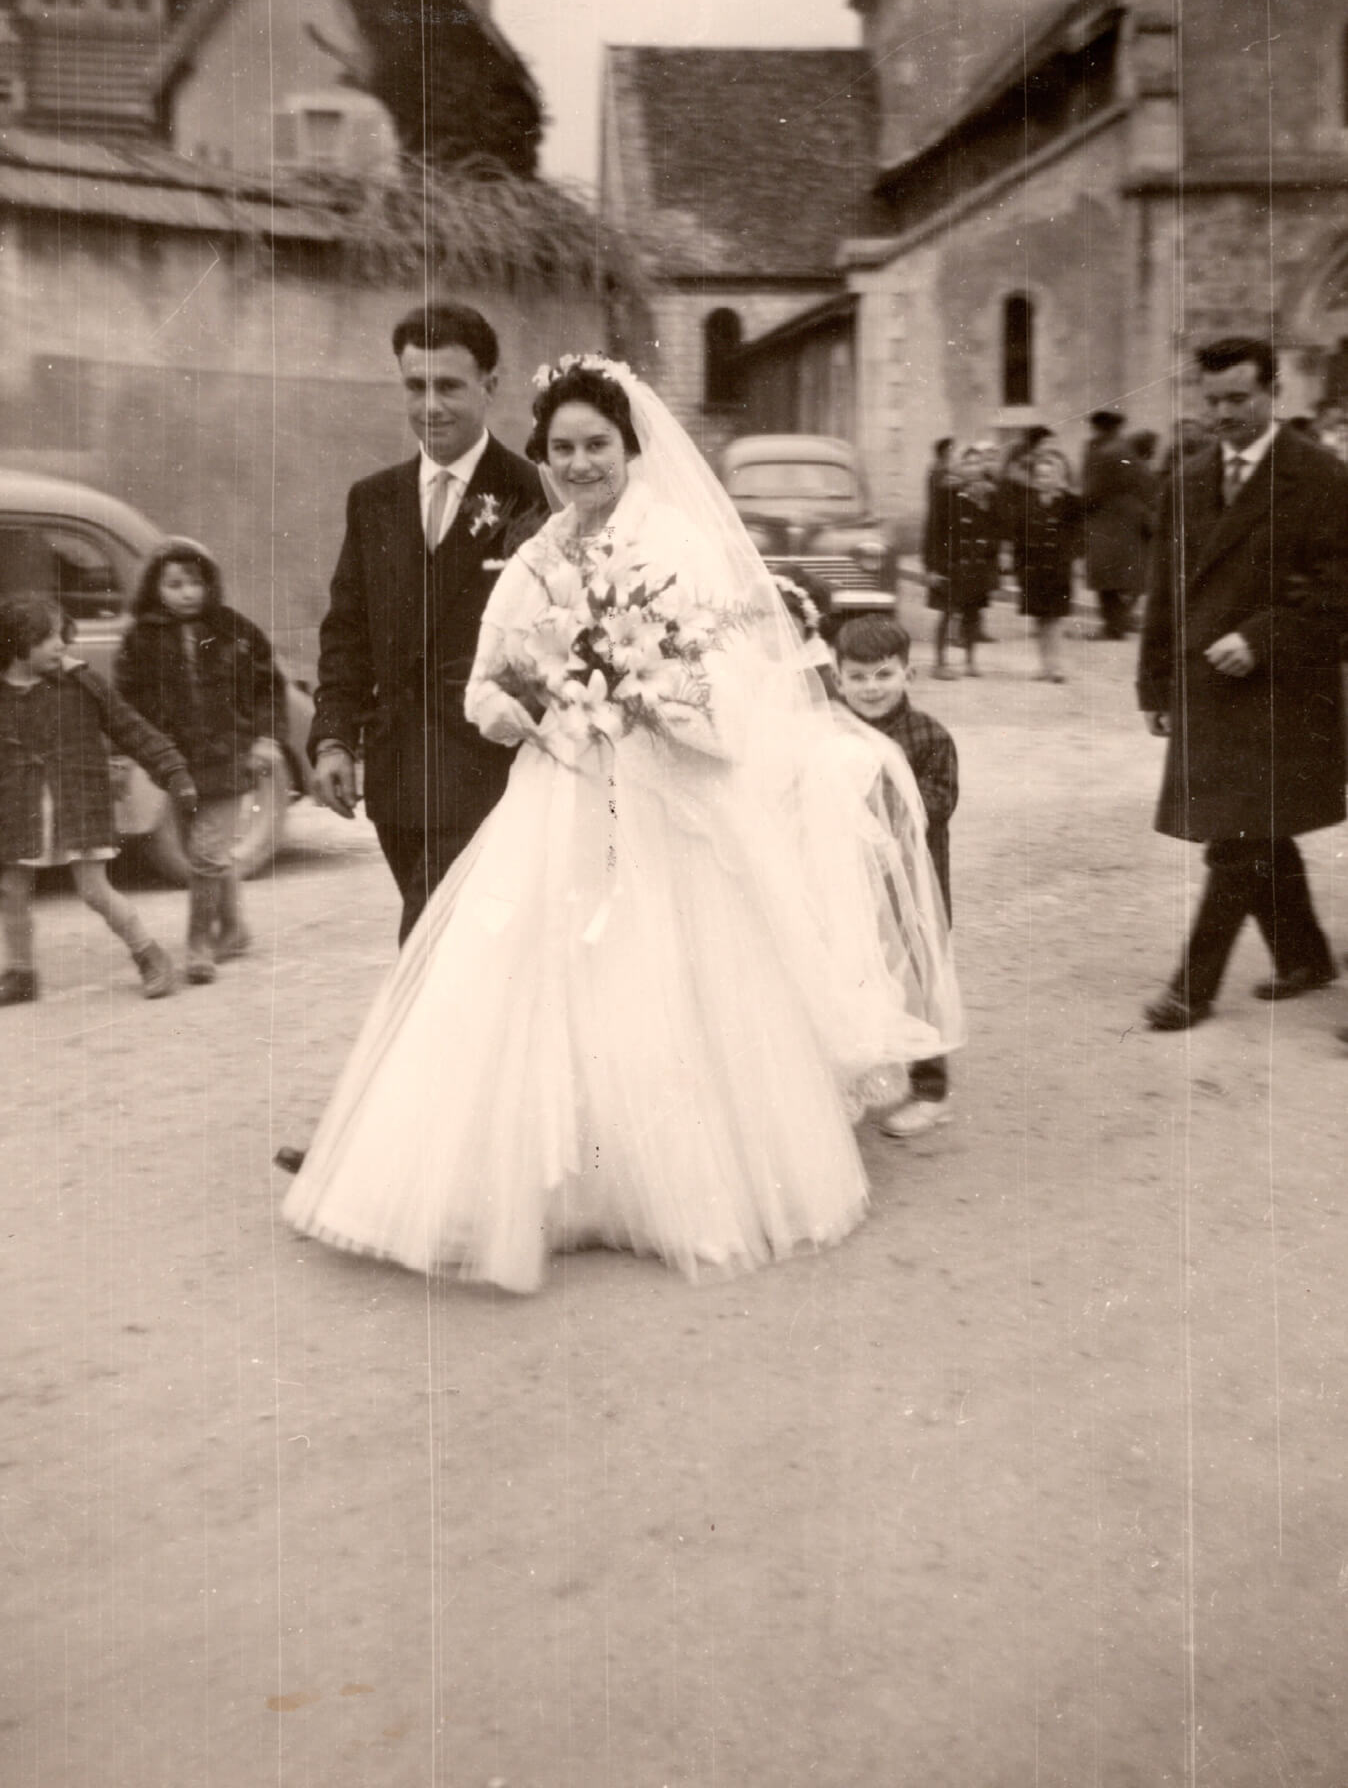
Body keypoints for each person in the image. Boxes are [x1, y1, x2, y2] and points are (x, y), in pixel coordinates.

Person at [281, 355, 962, 1291]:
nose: (580, 463)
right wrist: (527, 708)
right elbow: (484, 683)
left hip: (663, 800)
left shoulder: (678, 543)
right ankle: (559, 1191)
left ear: (629, 447)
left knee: (664, 976)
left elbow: (727, 687)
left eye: (597, 444)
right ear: (544, 455)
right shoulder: (537, 553)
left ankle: (665, 1187)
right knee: (534, 976)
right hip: (556, 792)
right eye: (562, 448)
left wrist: (643, 699)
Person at [307, 301, 547, 944]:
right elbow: (346, 631)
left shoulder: (534, 496)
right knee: (451, 950)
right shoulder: (373, 499)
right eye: (416, 386)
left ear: (490, 387)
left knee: (430, 946)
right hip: (395, 781)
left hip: (488, 777)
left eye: (449, 386)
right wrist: (333, 738)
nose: (431, 406)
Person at [1138, 337, 1348, 1031]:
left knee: (1236, 838)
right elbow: (1166, 594)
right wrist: (1155, 685)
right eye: (1214, 400)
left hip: (1281, 689)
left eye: (1240, 399)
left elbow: (1335, 588)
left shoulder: (1321, 477)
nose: (1224, 413)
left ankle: (1192, 987)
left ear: (1274, 393)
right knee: (1251, 831)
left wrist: (1260, 638)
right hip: (1204, 686)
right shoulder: (1188, 478)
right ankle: (1308, 955)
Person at [0, 593, 196, 1005]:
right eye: (48, 638)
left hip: (79, 801)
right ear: (17, 643)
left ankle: (150, 955)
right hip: (20, 808)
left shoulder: (81, 683)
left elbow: (130, 726)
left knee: (94, 890)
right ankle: (20, 972)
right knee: (12, 889)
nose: (61, 645)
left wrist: (172, 769)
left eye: (61, 636)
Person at [115, 538, 285, 983]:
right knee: (205, 851)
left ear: (210, 585)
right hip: (176, 765)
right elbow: (128, 702)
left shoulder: (234, 630)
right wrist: (146, 750)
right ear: (157, 587)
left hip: (229, 757)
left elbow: (269, 685)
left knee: (206, 853)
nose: (187, 592)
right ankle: (234, 928)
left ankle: (200, 942)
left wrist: (265, 739)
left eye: (195, 582)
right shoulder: (140, 639)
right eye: (174, 584)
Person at [833, 615, 959, 1134]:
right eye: (857, 677)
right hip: (846, 879)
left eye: (884, 674)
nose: (871, 688)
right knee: (854, 971)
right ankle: (860, 1078)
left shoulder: (929, 735)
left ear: (909, 674)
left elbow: (937, 803)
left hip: (913, 881)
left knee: (921, 976)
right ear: (838, 679)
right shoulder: (832, 731)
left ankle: (931, 1088)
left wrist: (875, 810)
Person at [1002, 443, 1083, 681]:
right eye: (1039, 475)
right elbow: (1018, 535)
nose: (1043, 480)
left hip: (1058, 569)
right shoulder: (1026, 502)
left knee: (1055, 619)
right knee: (1039, 619)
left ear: (1058, 475)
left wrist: (1075, 558)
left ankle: (1056, 666)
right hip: (1034, 569)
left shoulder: (1070, 502)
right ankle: (1044, 665)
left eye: (1048, 475)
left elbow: (1080, 533)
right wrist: (1017, 567)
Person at [925, 443, 1001, 677]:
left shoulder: (988, 495)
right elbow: (932, 532)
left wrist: (992, 561)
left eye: (977, 462)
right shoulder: (945, 493)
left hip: (976, 564)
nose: (972, 467)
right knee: (947, 613)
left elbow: (995, 529)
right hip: (950, 563)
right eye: (967, 462)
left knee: (973, 613)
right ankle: (940, 663)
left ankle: (970, 661)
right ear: (958, 466)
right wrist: (931, 567)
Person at [1081, 407, 1152, 639]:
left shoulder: (1103, 452)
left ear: (1099, 428)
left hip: (1106, 522)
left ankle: (1113, 627)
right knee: (1123, 576)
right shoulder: (1128, 450)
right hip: (1129, 520)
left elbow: (1093, 492)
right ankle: (1120, 622)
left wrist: (1077, 508)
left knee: (1107, 578)